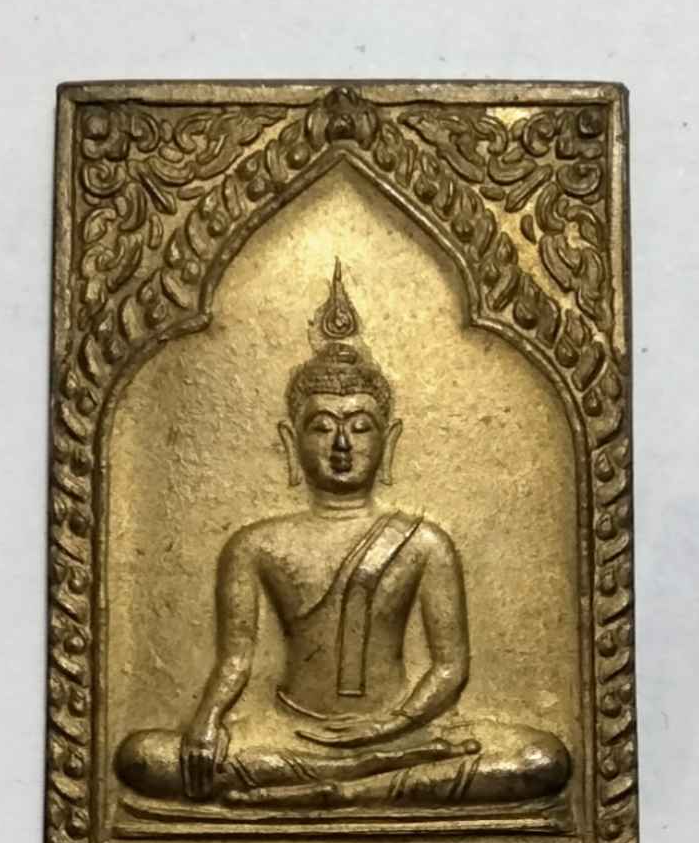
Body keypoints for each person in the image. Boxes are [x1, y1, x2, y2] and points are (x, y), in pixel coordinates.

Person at [117, 262, 570, 808]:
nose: (341, 445)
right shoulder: (255, 544)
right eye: (322, 426)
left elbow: (450, 667)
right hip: (290, 733)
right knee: (142, 758)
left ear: (389, 441)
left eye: (360, 426)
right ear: (291, 440)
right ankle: (361, 782)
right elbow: (236, 660)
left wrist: (388, 727)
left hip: (404, 734)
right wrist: (207, 721)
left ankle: (342, 785)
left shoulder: (423, 542)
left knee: (541, 760)